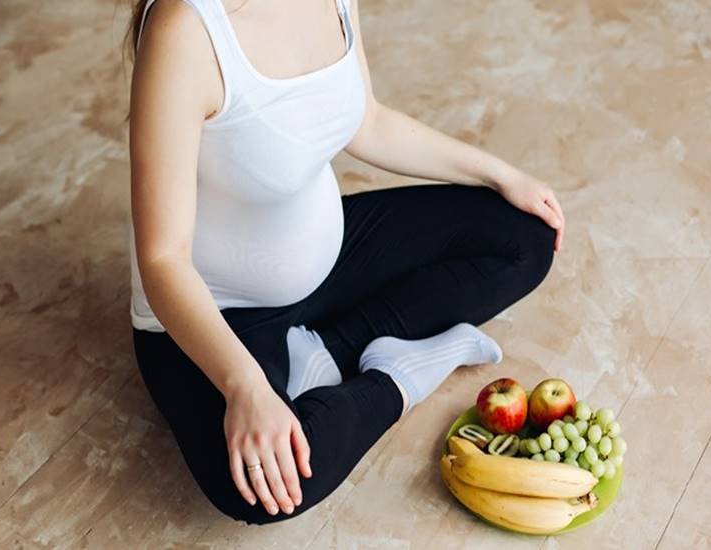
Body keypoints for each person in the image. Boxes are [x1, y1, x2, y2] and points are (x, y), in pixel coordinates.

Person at [126, 0, 565, 525]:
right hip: (216, 314)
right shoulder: (185, 29)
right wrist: (245, 386)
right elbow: (163, 258)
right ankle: (400, 375)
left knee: (525, 237)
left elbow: (369, 123)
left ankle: (326, 350)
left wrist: (502, 175)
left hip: (327, 256)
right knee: (262, 488)